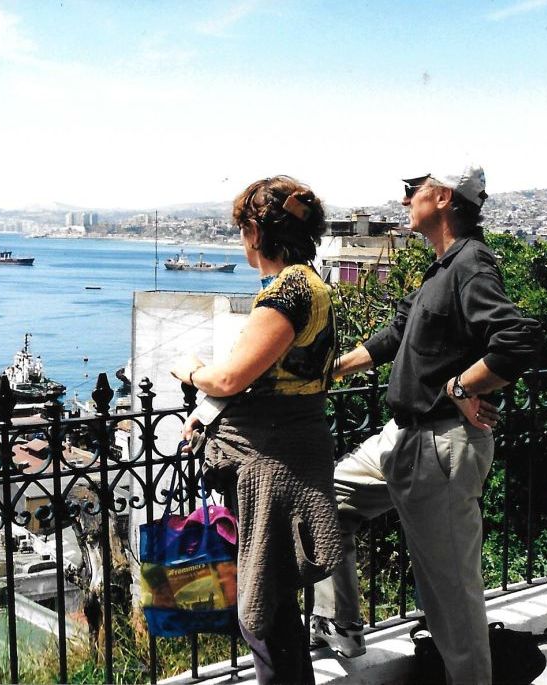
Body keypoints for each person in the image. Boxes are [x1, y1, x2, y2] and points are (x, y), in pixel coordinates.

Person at [310, 166, 540, 684]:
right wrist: (333, 370)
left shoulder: (472, 265)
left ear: (441, 198)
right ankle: (340, 621)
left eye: (412, 190)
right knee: (327, 500)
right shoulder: (443, 267)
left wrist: (462, 388)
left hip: (441, 445)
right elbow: (397, 331)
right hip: (404, 438)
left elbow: (518, 340)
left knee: (451, 598)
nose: (406, 199)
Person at [171, 175, 342, 685]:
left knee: (264, 611)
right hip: (293, 448)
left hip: (274, 461)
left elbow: (230, 377)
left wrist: (192, 370)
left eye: (242, 229)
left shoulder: (287, 291)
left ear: (255, 232)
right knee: (278, 609)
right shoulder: (311, 284)